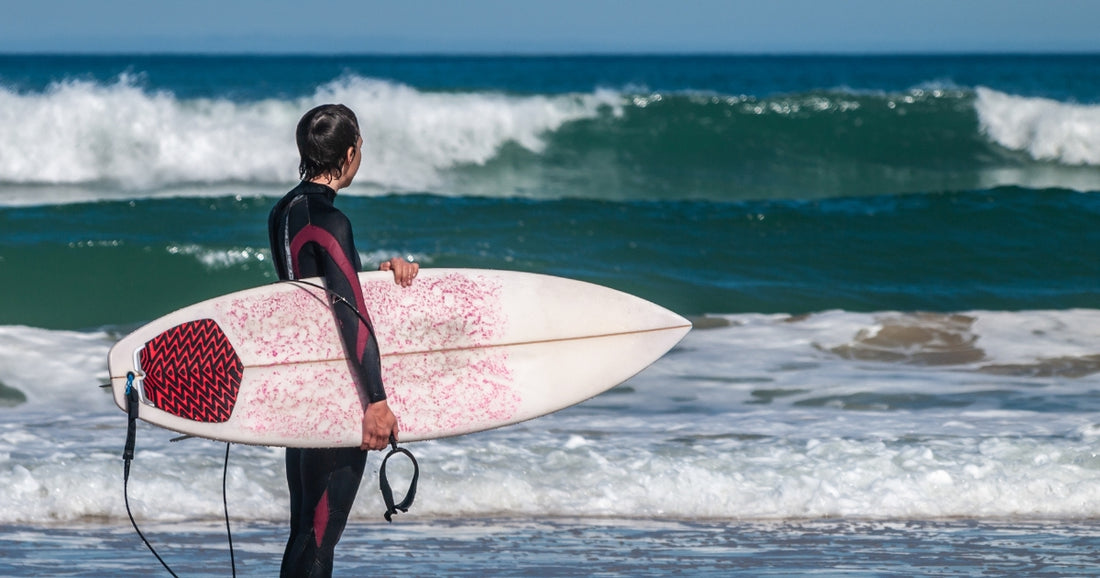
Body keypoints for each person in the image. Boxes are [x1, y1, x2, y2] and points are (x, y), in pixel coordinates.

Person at [268, 104, 419, 577]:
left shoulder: (283, 212)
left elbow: (321, 291)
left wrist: (377, 277)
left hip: (303, 389)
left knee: (305, 531)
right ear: (350, 153)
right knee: (319, 535)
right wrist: (376, 400)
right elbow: (348, 314)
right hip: (339, 392)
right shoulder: (331, 220)